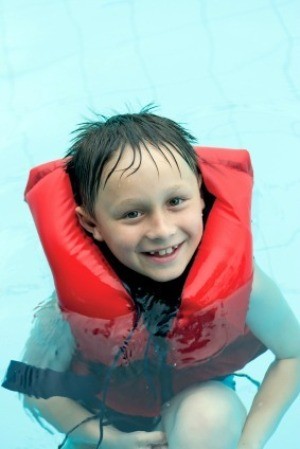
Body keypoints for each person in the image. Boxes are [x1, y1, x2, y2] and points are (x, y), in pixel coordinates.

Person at [2, 106, 300, 449]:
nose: (161, 230)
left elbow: (293, 355)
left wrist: (250, 443)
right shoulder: (70, 307)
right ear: (92, 224)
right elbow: (34, 386)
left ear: (200, 197)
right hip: (104, 421)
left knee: (209, 413)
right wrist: (110, 440)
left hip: (197, 410)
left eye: (175, 201)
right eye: (132, 213)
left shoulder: (242, 284)